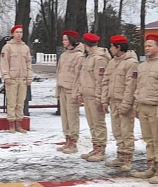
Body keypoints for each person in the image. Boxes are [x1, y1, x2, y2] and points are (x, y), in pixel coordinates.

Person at [132, 34, 158, 183]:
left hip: (157, 106)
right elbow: (139, 86)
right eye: (146, 45)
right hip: (143, 105)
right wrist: (137, 104)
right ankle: (151, 166)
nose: (146, 48)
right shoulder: (142, 65)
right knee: (148, 139)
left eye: (150, 45)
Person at [101, 35, 138, 171]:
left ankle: (128, 158)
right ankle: (120, 156)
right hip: (113, 101)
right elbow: (105, 81)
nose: (110, 49)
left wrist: (126, 104)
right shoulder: (112, 62)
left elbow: (131, 85)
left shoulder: (131, 63)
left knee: (126, 131)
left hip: (124, 101)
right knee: (117, 131)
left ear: (119, 47)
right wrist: (104, 100)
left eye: (112, 46)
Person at [75, 33, 110, 161]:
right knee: (92, 124)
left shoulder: (99, 59)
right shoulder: (88, 58)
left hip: (95, 96)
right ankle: (95, 147)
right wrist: (80, 92)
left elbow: (100, 80)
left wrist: (100, 98)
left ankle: (101, 149)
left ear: (86, 45)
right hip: (87, 95)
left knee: (98, 123)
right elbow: (83, 77)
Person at [0, 25, 34, 133]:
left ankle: (19, 123)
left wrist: (29, 77)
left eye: (21, 32)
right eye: (17, 32)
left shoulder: (25, 48)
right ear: (13, 34)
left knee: (20, 103)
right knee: (12, 102)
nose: (19, 34)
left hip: (22, 79)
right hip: (12, 80)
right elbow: (4, 63)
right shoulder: (7, 47)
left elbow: (29, 64)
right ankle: (11, 124)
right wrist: (6, 77)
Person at [55, 30, 83, 153]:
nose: (63, 42)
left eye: (66, 39)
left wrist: (78, 92)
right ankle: (67, 139)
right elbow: (58, 72)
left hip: (72, 90)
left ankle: (73, 142)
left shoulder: (79, 56)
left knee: (72, 117)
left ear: (71, 40)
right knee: (65, 117)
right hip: (62, 88)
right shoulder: (64, 55)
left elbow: (79, 76)